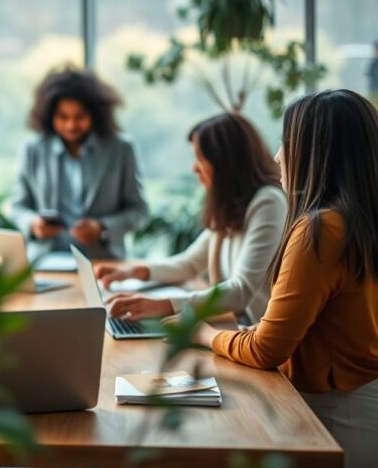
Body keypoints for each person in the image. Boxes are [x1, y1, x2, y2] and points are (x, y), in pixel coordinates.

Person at [192, 90, 378, 468]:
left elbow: (266, 349)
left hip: (337, 417)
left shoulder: (321, 228)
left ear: (315, 151)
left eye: (286, 141)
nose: (278, 155)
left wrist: (202, 334)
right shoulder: (357, 219)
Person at [95, 113, 286, 324]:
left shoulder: (268, 203)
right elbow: (189, 263)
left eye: (201, 159)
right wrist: (131, 272)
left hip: (254, 338)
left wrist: (164, 305)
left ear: (225, 162)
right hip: (235, 328)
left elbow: (241, 290)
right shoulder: (232, 205)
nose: (194, 168)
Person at [10, 67, 148, 261]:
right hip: (46, 261)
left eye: (80, 117)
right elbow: (18, 208)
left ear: (95, 114)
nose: (71, 125)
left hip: (103, 262)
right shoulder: (33, 149)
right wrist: (34, 224)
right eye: (63, 117)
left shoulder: (120, 149)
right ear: (50, 116)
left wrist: (102, 227)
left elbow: (138, 211)